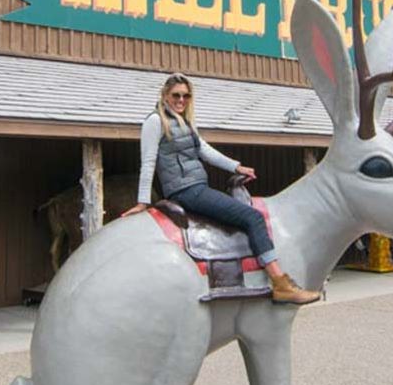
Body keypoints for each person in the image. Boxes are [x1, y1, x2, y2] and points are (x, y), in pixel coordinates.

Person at [124, 73, 320, 305]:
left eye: (186, 95)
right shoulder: (155, 121)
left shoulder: (184, 121)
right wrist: (142, 202)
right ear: (165, 96)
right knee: (253, 217)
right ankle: (280, 282)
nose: (181, 100)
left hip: (197, 186)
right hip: (186, 191)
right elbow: (148, 162)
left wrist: (236, 166)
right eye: (176, 95)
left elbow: (205, 151)